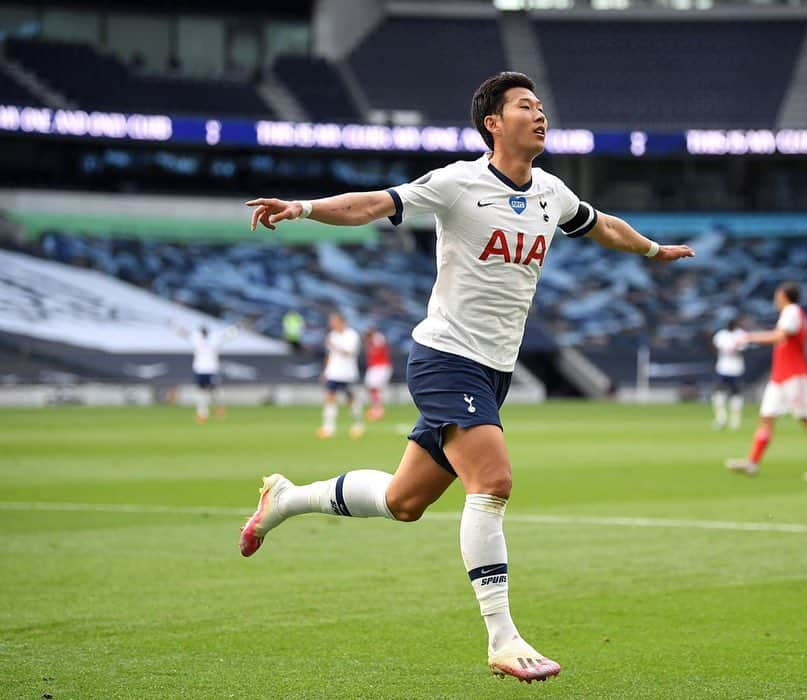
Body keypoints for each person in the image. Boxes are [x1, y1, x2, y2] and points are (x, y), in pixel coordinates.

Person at [240, 71, 694, 683]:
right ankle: (503, 638)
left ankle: (287, 498)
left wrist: (651, 250)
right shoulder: (458, 182)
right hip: (445, 358)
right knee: (495, 480)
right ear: (493, 124)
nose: (540, 116)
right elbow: (375, 204)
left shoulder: (551, 193)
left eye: (541, 107)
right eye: (526, 107)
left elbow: (603, 224)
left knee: (405, 502)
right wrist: (302, 207)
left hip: (494, 370)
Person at [725, 282, 807, 481]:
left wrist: (749, 337)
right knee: (766, 417)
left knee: (806, 419)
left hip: (794, 375)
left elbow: (779, 336)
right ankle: (752, 462)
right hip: (780, 375)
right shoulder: (789, 314)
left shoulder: (793, 311)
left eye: (777, 295)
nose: (775, 299)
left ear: (784, 296)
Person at [172, 321, 243, 423]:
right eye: (203, 331)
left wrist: (238, 327)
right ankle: (202, 414)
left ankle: (219, 408)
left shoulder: (214, 340)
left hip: (211, 369)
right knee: (201, 392)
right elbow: (184, 333)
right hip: (200, 369)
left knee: (213, 391)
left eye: (205, 331)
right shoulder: (196, 339)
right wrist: (174, 326)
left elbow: (228, 335)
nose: (204, 333)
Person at [317, 312, 364, 440]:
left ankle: (357, 424)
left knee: (350, 399)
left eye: (334, 321)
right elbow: (329, 355)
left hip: (348, 373)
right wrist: (326, 371)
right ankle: (329, 428)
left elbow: (348, 352)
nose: (331, 324)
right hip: (334, 372)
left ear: (341, 322)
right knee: (330, 397)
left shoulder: (352, 335)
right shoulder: (332, 335)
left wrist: (334, 345)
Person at [711, 318, 748, 430]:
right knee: (718, 393)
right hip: (723, 368)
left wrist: (735, 350)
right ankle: (721, 418)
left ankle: (735, 421)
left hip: (736, 368)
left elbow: (743, 349)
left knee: (735, 394)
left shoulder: (741, 334)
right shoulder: (721, 335)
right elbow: (715, 347)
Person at [363, 327, 393, 421]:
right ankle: (376, 408)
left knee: (375, 387)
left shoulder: (378, 338)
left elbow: (380, 348)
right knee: (372, 387)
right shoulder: (371, 342)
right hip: (374, 367)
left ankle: (378, 410)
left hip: (381, 366)